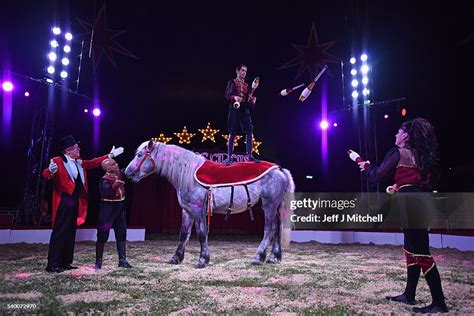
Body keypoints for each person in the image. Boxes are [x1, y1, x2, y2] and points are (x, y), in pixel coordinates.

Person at [358, 118, 448, 313]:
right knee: (411, 249)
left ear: (405, 136)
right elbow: (415, 182)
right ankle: (409, 295)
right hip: (418, 201)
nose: (395, 134)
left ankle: (439, 303)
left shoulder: (399, 153)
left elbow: (378, 176)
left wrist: (365, 167)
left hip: (411, 205)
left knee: (421, 252)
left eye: (398, 131)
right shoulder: (419, 156)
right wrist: (398, 186)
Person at [42, 135, 124, 273]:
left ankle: (65, 262)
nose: (78, 149)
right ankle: (52, 264)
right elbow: (45, 175)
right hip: (63, 200)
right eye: (76, 147)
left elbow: (94, 162)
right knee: (60, 231)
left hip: (75, 200)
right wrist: (50, 171)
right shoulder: (57, 160)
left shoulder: (78, 161)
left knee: (70, 231)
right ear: (68, 150)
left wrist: (110, 155)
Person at [95, 158, 132, 269]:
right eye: (113, 164)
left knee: (121, 233)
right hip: (108, 210)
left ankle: (122, 260)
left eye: (116, 163)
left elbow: (129, 172)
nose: (117, 164)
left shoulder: (119, 174)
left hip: (119, 209)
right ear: (108, 168)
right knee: (102, 235)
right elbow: (105, 192)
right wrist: (115, 186)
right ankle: (98, 262)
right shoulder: (104, 180)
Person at [223, 64, 259, 165]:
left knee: (249, 130)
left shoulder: (247, 86)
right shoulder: (232, 82)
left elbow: (248, 100)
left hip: (244, 108)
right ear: (237, 71)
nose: (244, 73)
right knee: (232, 131)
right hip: (234, 107)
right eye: (242, 71)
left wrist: (252, 101)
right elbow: (227, 95)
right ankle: (229, 158)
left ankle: (249, 156)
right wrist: (234, 97)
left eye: (245, 71)